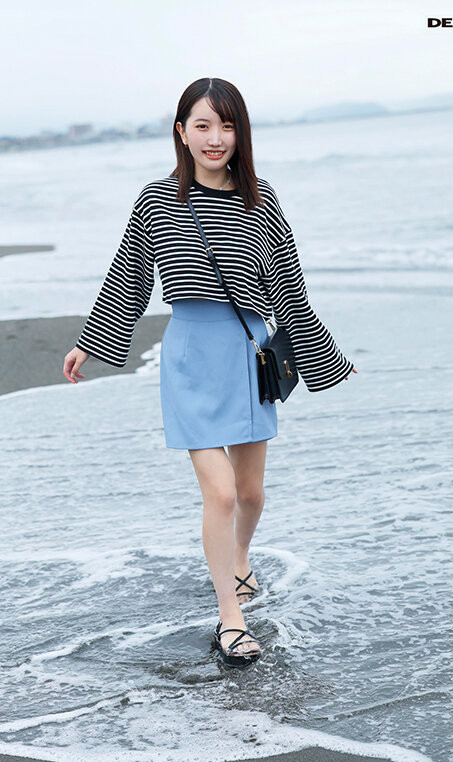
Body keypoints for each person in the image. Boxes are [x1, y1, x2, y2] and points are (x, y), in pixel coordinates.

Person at [63, 77, 357, 667]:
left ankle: (239, 558)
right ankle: (230, 617)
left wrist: (323, 355)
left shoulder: (261, 199)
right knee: (220, 494)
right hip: (190, 360)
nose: (215, 137)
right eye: (202, 125)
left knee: (250, 493)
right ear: (182, 132)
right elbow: (128, 278)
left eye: (226, 125)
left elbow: (289, 288)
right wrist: (88, 343)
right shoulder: (157, 199)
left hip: (247, 357)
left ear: (240, 133)